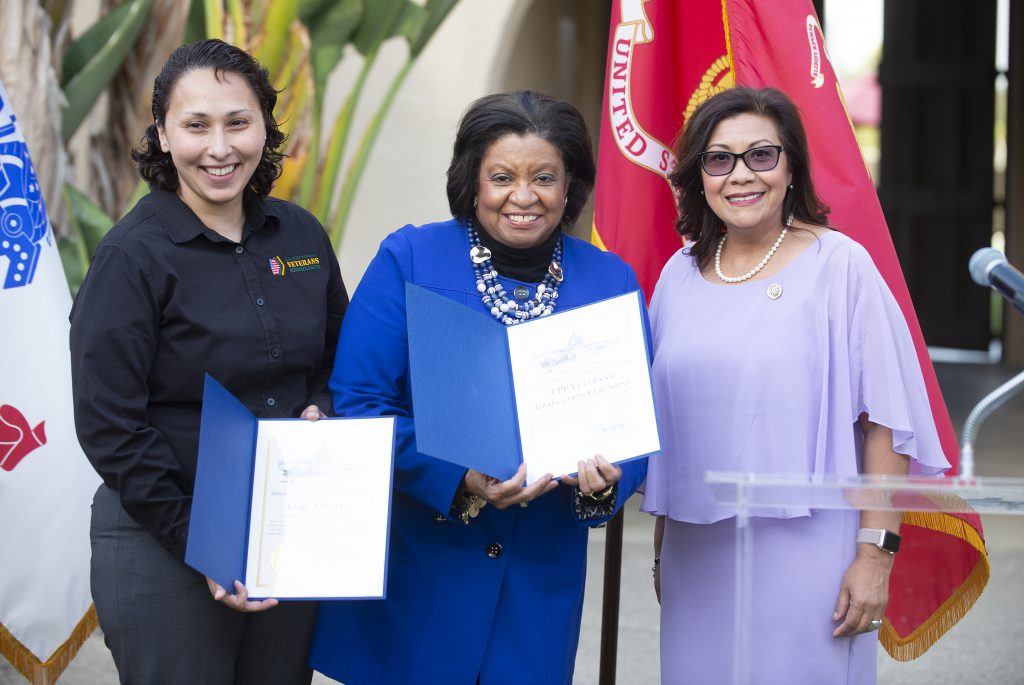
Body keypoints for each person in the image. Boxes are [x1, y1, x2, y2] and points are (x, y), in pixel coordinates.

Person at [308, 90, 648, 685]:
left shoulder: (609, 279)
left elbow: (633, 425)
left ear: (570, 187)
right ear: (472, 182)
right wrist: (454, 478)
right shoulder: (411, 257)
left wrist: (609, 480)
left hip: (535, 592)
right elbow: (360, 405)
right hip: (418, 581)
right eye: (502, 177)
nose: (524, 196)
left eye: (545, 177)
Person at [641, 86, 950, 684]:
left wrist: (875, 554)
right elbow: (671, 428)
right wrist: (660, 546)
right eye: (718, 158)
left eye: (761, 154)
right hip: (695, 555)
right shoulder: (677, 276)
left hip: (814, 553)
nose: (740, 175)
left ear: (791, 166)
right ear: (699, 175)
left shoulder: (841, 266)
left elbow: (887, 424)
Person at [69, 39, 347, 685]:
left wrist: (324, 409)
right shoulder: (131, 258)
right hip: (161, 536)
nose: (219, 148)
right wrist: (206, 538)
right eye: (196, 125)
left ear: (264, 128)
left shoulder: (302, 236)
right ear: (164, 135)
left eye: (237, 122)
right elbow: (110, 424)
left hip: (284, 529)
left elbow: (338, 360)